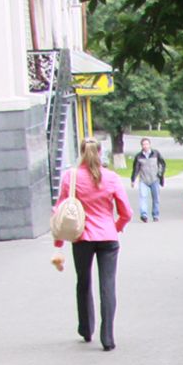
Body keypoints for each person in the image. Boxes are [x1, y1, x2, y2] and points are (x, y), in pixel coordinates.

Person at [52, 140, 133, 351]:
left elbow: (60, 210)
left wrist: (59, 242)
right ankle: (108, 337)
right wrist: (115, 227)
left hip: (81, 238)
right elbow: (127, 212)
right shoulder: (112, 177)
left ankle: (86, 329)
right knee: (108, 286)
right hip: (108, 237)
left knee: (83, 282)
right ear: (100, 152)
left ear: (81, 152)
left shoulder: (71, 177)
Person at [131, 138, 165, 221]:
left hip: (154, 179)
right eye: (143, 144)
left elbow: (162, 164)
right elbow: (135, 169)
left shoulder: (156, 153)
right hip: (143, 180)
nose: (145, 146)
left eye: (147, 144)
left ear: (150, 145)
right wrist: (133, 179)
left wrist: (160, 173)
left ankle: (155, 215)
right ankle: (144, 215)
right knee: (143, 197)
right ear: (141, 146)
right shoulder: (139, 156)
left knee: (156, 198)